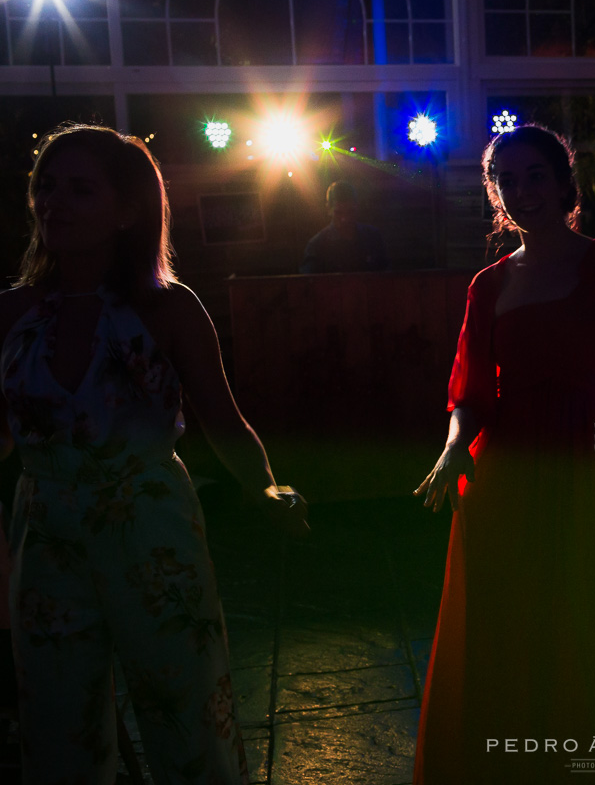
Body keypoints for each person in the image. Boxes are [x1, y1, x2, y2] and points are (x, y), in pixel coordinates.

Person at [0, 123, 310, 784]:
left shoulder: (168, 310)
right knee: (57, 725)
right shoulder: (12, 314)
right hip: (46, 531)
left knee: (185, 712)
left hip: (149, 527)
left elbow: (224, 421)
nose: (54, 202)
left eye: (80, 189)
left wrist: (269, 490)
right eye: (45, 187)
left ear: (127, 209)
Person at [412, 125, 595, 782]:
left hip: (593, 463)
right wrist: (453, 450)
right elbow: (469, 391)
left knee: (590, 616)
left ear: (564, 183)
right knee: (509, 623)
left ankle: (592, 764)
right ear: (494, 193)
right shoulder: (488, 284)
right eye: (507, 180)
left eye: (535, 176)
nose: (522, 191)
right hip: (508, 470)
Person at [299, 181, 387, 273]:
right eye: (339, 213)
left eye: (350, 212)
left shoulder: (373, 237)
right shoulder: (317, 246)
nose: (345, 219)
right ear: (328, 209)